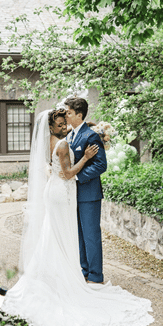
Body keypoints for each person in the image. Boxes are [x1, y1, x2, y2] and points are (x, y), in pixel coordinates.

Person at [2, 109, 153, 326]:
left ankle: (67, 273)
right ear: (52, 127)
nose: (65, 127)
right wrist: (85, 157)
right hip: (62, 192)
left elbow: (74, 141)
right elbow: (67, 173)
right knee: (63, 234)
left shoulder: (57, 138)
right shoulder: (62, 143)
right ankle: (71, 275)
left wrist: (94, 129)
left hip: (59, 192)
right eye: (61, 124)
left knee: (56, 234)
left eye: (66, 122)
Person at [64, 97, 107, 284]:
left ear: (79, 115)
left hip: (89, 194)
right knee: (79, 235)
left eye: (69, 112)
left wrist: (76, 176)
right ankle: (84, 270)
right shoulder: (69, 136)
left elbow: (101, 165)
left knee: (91, 235)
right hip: (73, 195)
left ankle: (96, 275)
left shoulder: (91, 136)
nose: (66, 115)